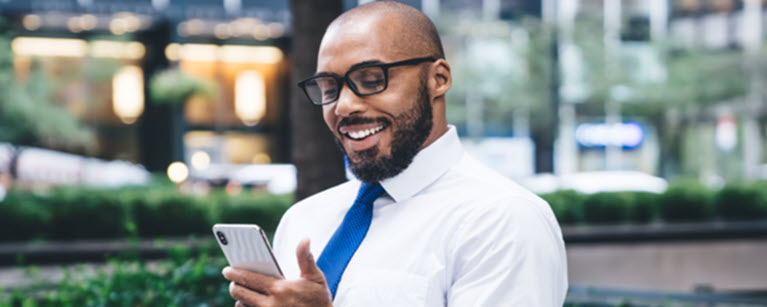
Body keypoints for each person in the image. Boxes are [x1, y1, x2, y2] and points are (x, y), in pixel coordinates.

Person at [222, 1, 568, 306]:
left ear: (439, 78)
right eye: (329, 88)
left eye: (371, 80)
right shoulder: (303, 220)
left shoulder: (502, 220)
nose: (343, 106)